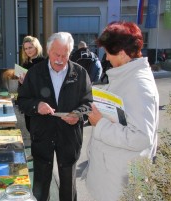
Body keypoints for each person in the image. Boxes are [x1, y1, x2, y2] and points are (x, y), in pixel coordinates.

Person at [84, 21, 159, 201]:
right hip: (112, 174)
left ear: (123, 54)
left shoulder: (138, 85)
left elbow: (141, 137)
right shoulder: (126, 76)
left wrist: (99, 123)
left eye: (109, 53)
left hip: (119, 182)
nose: (107, 58)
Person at [17, 32, 93, 201]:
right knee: (41, 183)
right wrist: (37, 106)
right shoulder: (35, 72)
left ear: (70, 53)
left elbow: (88, 103)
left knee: (68, 183)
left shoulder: (80, 73)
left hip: (69, 135)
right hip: (42, 134)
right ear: (48, 50)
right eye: (55, 54)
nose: (59, 59)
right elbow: (22, 100)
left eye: (64, 55)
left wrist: (78, 115)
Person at [19, 35, 44, 132]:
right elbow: (22, 87)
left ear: (36, 47)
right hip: (28, 102)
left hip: (39, 101)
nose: (28, 51)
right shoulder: (25, 64)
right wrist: (21, 82)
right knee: (29, 128)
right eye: (25, 49)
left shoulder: (44, 62)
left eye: (30, 47)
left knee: (39, 131)